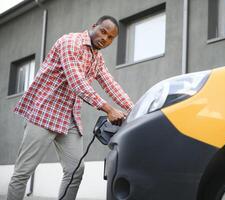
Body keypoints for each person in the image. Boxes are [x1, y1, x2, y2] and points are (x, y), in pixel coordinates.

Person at [7, 15, 133, 200]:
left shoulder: (97, 59)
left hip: (69, 119)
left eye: (110, 37)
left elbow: (110, 84)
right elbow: (78, 83)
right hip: (44, 113)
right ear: (94, 26)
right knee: (23, 172)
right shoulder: (70, 42)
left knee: (75, 170)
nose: (104, 39)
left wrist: (134, 108)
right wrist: (109, 109)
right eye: (103, 32)